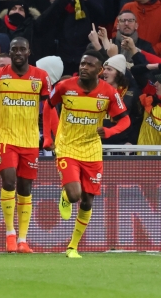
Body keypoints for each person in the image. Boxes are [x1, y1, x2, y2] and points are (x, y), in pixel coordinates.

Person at [43, 50, 130, 258]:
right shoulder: (65, 86)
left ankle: (72, 246)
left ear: (99, 70)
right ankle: (66, 194)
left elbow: (125, 120)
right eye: (82, 64)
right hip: (67, 147)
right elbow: (48, 105)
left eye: (90, 65)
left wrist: (110, 131)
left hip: (92, 150)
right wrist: (48, 137)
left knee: (87, 201)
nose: (84, 67)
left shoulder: (108, 92)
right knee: (75, 195)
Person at [0, 37, 50, 253]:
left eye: (22, 49)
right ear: (9, 52)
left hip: (29, 140)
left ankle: (23, 239)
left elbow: (49, 109)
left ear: (29, 52)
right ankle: (10, 234)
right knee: (9, 181)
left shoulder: (41, 77)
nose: (18, 53)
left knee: (25, 188)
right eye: (14, 49)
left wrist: (48, 136)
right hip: (5, 138)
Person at [101, 54, 142, 144]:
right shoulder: (97, 90)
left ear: (119, 73)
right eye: (104, 69)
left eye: (109, 69)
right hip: (97, 143)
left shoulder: (132, 94)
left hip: (121, 146)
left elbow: (137, 120)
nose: (104, 72)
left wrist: (131, 141)